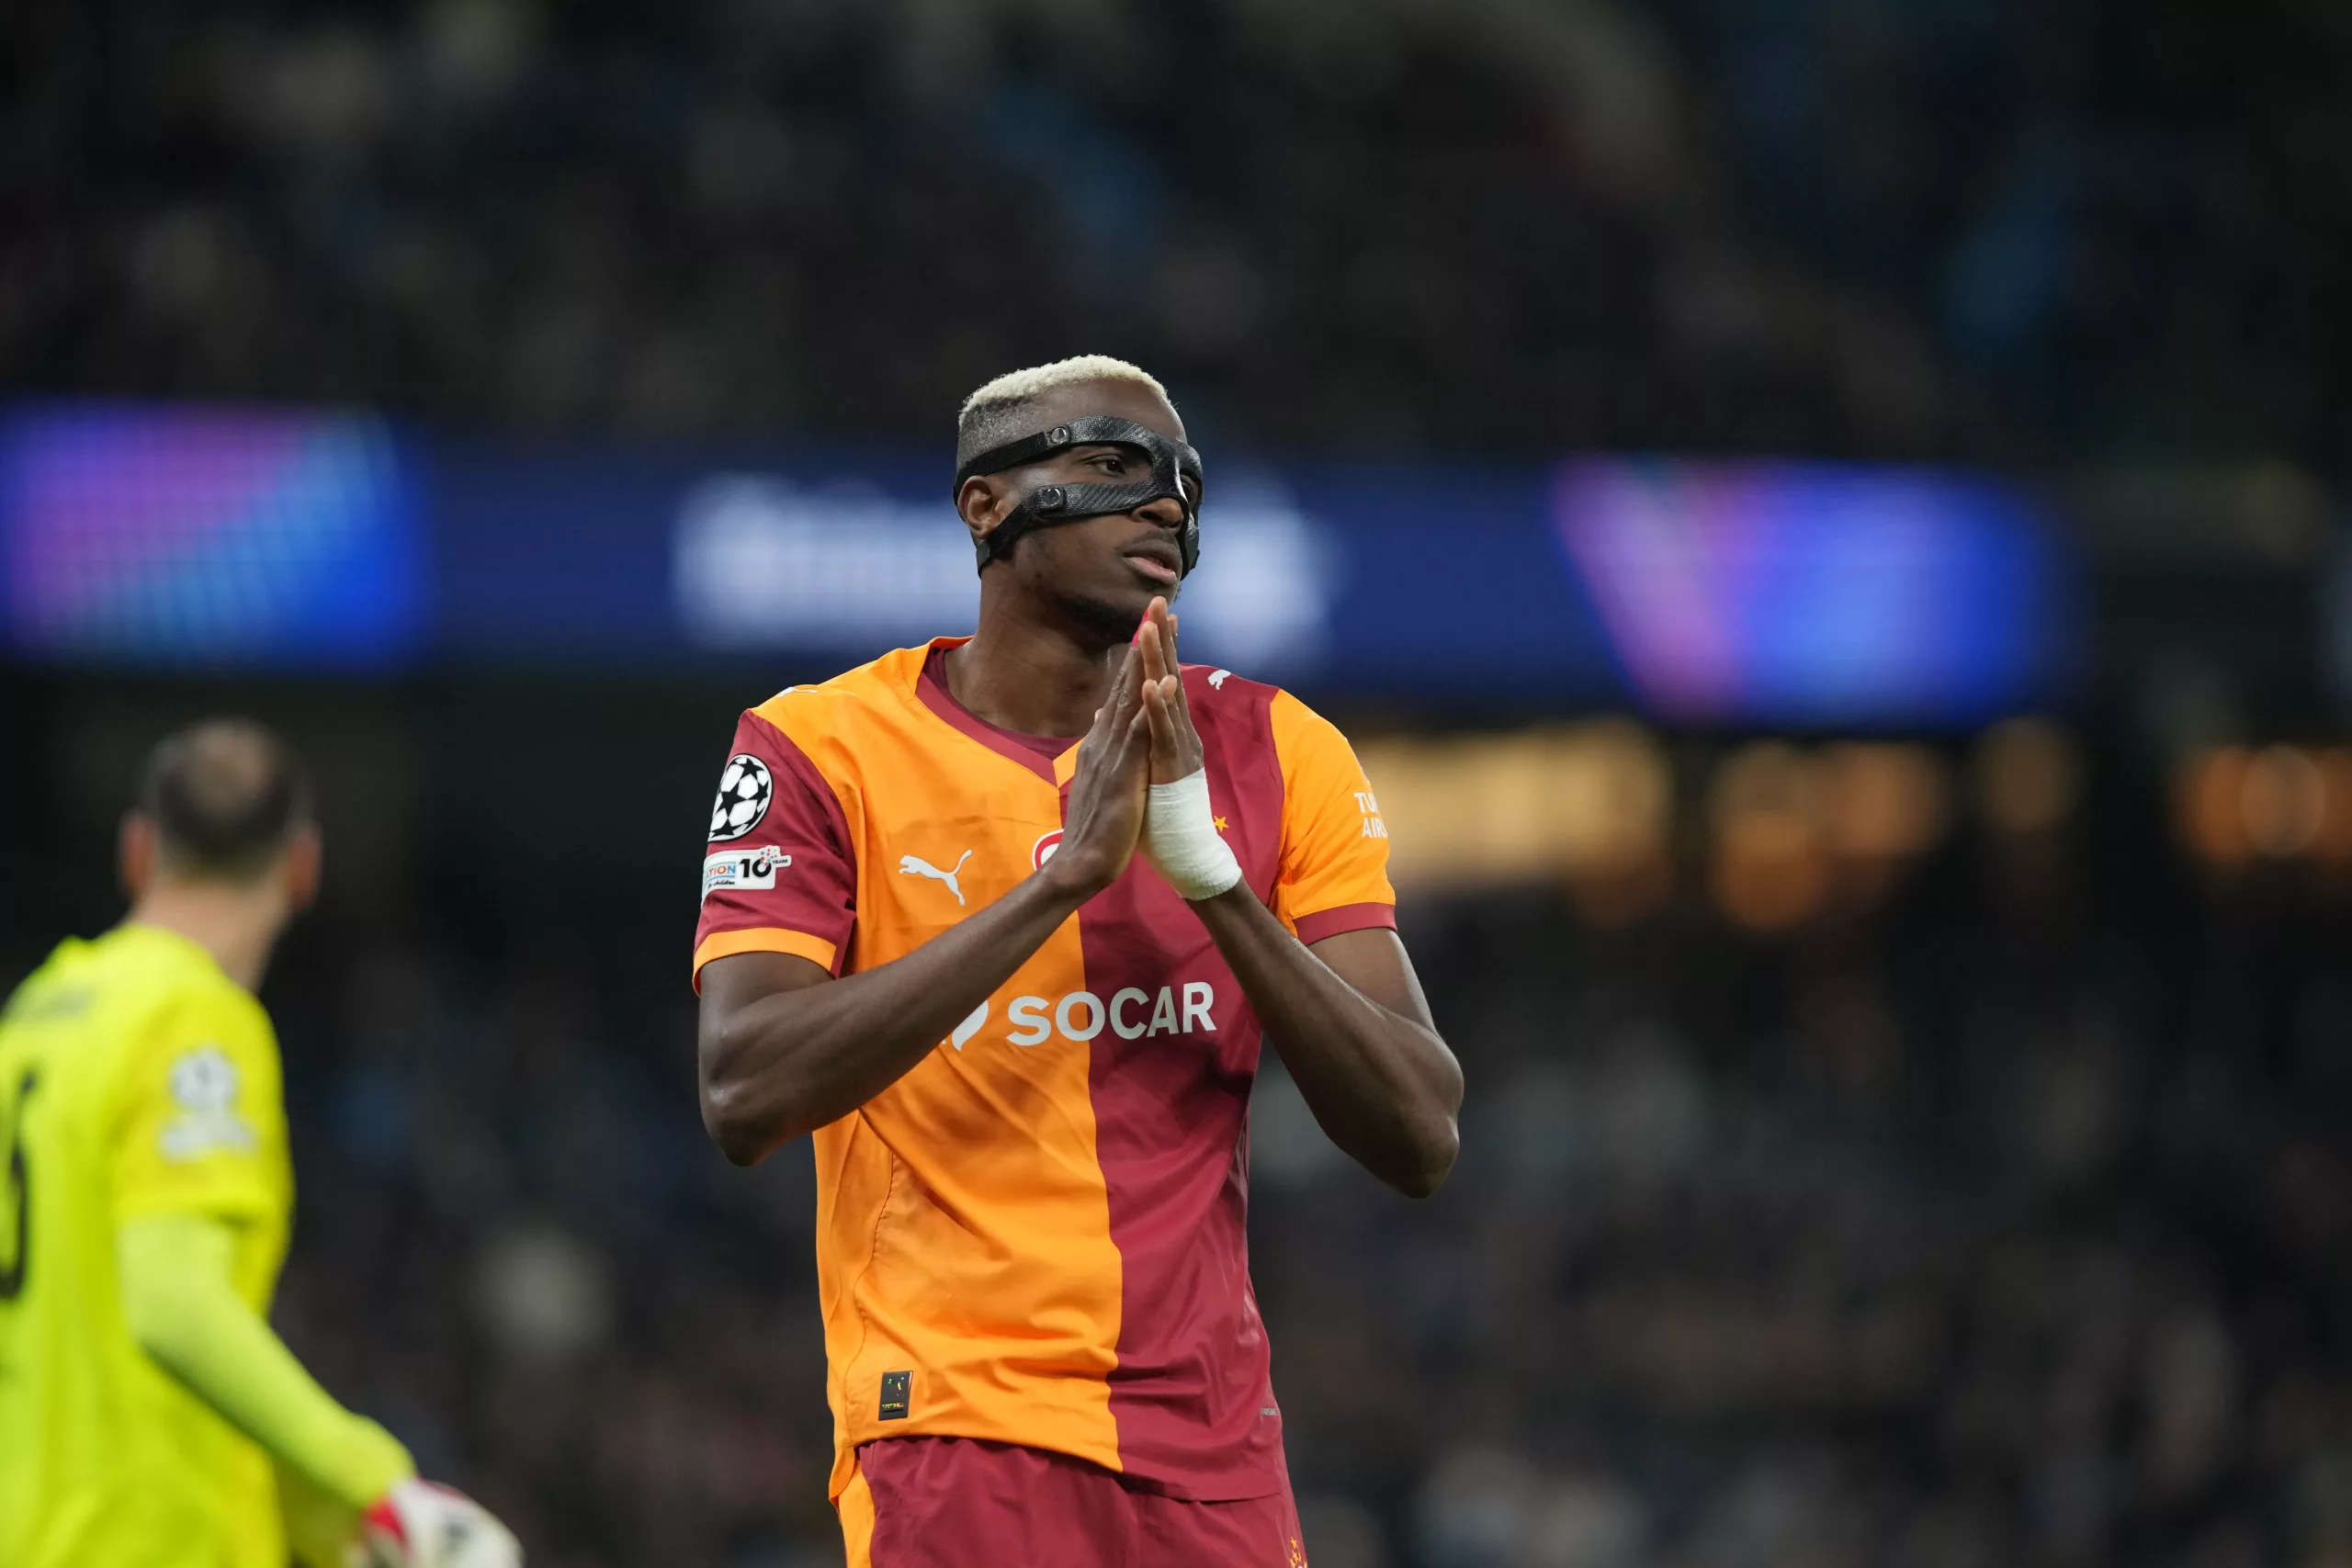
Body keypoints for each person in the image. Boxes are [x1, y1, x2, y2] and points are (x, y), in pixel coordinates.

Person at [694, 355, 1465, 1565]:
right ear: (985, 505)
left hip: (1215, 1458)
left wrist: (1212, 881)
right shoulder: (817, 748)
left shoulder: (1279, 748)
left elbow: (1421, 1131)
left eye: (1184, 484)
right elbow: (743, 1088)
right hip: (955, 1427)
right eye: (1112, 464)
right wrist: (1059, 884)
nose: (1162, 502)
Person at [0, 721, 521, 1568]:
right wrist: (376, 1485)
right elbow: (173, 1303)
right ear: (303, 864)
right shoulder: (194, 1018)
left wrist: (321, 1522)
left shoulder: (36, 1016)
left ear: (137, 849)